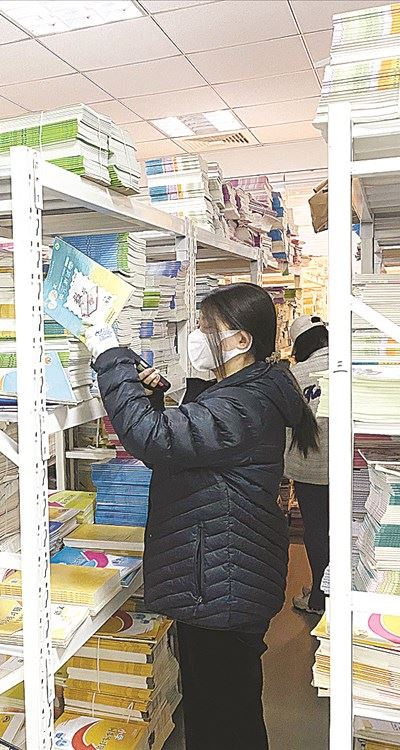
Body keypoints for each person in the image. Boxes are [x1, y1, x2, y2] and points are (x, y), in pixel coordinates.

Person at [86, 283, 320, 750]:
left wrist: (110, 356)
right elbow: (182, 450)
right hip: (221, 574)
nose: (196, 336)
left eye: (206, 327)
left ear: (241, 340)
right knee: (224, 705)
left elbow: (153, 438)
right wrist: (154, 398)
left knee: (222, 715)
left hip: (219, 582)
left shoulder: (242, 404)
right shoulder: (245, 392)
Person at [285, 314, 330, 616]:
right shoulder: (347, 364)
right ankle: (333, 593)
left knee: (316, 531)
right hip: (348, 465)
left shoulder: (296, 374)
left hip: (309, 468)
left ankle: (319, 596)